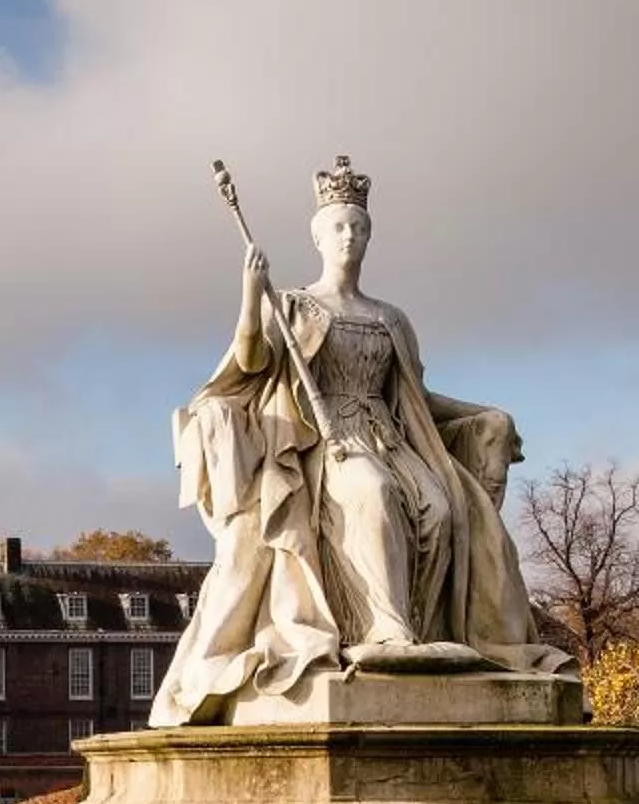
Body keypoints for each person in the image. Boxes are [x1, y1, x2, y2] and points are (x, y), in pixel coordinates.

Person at [152, 155, 568, 725]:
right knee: (370, 497)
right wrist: (251, 295)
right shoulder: (292, 305)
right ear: (318, 236)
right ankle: (385, 627)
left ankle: (422, 632)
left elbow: (419, 400)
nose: (350, 236)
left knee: (443, 512)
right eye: (339, 227)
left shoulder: (390, 318)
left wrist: (486, 415)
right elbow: (249, 362)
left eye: (359, 228)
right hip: (325, 444)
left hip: (393, 438)